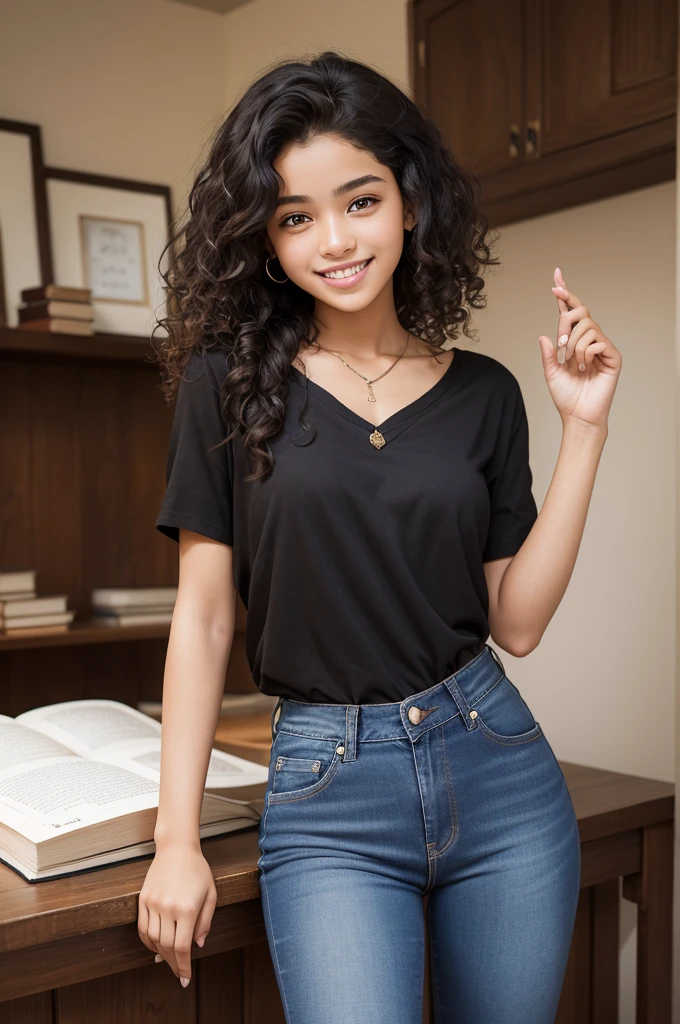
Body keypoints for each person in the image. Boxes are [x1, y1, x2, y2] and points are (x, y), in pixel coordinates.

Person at [137, 50, 622, 1023]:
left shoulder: (484, 393)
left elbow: (514, 624)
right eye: (294, 217)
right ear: (265, 242)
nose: (333, 239)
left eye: (358, 201)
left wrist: (585, 428)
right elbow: (201, 618)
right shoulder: (227, 387)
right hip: (327, 792)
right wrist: (174, 839)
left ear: (408, 202)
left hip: (497, 771)